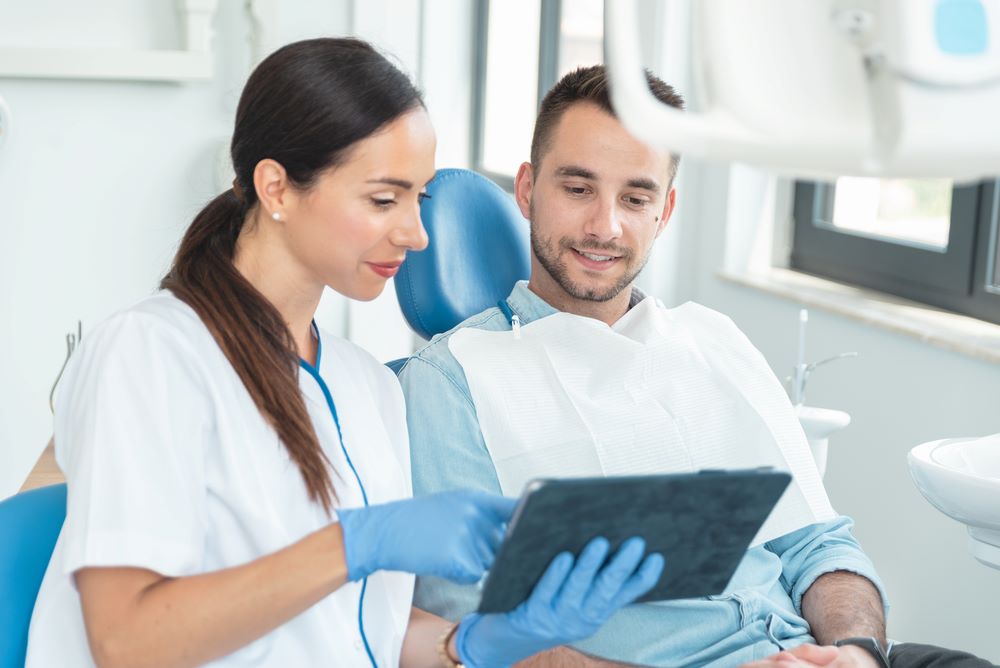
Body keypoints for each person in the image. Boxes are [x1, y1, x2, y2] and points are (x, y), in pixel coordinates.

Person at [25, 40, 665, 668]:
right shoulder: (151, 354)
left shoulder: (366, 387)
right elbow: (127, 643)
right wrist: (359, 542)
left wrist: (476, 644)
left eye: (418, 199)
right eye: (383, 199)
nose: (414, 234)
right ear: (275, 187)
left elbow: (365, 628)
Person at [397, 65, 997, 668]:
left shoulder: (713, 339)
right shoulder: (452, 380)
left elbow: (819, 543)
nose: (605, 225)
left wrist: (856, 653)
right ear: (527, 190)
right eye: (578, 189)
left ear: (666, 209)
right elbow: (470, 633)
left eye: (636, 198)